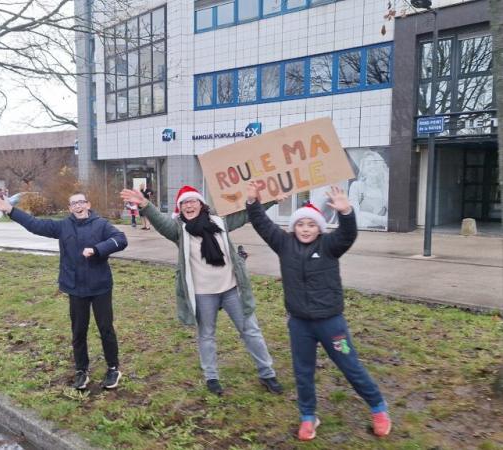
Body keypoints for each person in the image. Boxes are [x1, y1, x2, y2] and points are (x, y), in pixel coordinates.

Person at [245, 183, 391, 441]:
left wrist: (346, 213)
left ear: (320, 228)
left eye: (311, 225)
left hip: (331, 324)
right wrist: (252, 201)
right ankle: (308, 417)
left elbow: (348, 235)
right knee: (303, 372)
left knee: (350, 366)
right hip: (299, 325)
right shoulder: (283, 244)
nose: (305, 229)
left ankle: (378, 407)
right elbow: (261, 224)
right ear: (293, 227)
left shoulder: (330, 245)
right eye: (300, 224)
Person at [120, 185, 283, 396]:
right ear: (180, 208)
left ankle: (267, 373)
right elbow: (161, 223)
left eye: (192, 201)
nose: (189, 205)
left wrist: (272, 200)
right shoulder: (179, 230)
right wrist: (145, 204)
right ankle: (211, 377)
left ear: (200, 203)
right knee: (207, 335)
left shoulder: (219, 221)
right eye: (184, 203)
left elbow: (245, 215)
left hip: (232, 289)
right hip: (203, 293)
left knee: (250, 331)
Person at [0, 191, 128, 390]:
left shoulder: (101, 224)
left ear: (88, 204)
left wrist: (97, 249)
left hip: (100, 287)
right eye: (74, 204)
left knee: (105, 328)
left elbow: (120, 239)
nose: (78, 206)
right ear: (70, 208)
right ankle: (81, 371)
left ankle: (113, 368)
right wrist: (11, 211)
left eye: (81, 202)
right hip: (75, 287)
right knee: (78, 331)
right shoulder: (63, 226)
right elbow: (35, 225)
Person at [348, 151, 389, 229]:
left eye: (375, 163)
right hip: (363, 232)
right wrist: (381, 220)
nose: (373, 166)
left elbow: (391, 220)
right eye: (369, 164)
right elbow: (355, 216)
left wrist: (365, 215)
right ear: (363, 168)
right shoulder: (356, 186)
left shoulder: (385, 188)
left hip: (382, 234)